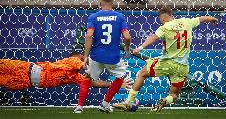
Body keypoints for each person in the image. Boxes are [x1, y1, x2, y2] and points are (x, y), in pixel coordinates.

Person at [113, 7, 218, 112]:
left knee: (142, 74)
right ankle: (165, 100)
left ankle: (128, 102)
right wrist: (212, 18)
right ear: (171, 15)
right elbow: (202, 19)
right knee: (174, 94)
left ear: (162, 18)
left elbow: (153, 38)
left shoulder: (165, 27)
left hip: (167, 63)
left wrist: (140, 48)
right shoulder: (187, 22)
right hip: (182, 67)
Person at [74, 0, 132, 113]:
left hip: (96, 56)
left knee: (88, 78)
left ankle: (79, 107)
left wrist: (85, 56)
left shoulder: (94, 17)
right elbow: (127, 37)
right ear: (113, 3)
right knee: (121, 77)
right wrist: (127, 48)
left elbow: (89, 35)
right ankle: (105, 103)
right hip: (113, 57)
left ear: (100, 3)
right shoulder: (120, 17)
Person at [0, 52, 132, 90]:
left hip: (23, 82)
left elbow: (93, 83)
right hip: (23, 68)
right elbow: (86, 67)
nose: (84, 60)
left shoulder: (73, 77)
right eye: (83, 58)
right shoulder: (72, 61)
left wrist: (117, 84)